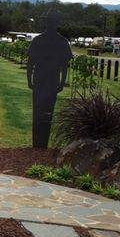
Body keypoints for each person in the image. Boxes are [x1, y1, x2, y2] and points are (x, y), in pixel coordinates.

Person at [27, 8, 73, 148]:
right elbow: (65, 66)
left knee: (39, 112)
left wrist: (30, 80)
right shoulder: (62, 42)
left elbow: (30, 64)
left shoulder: (38, 40)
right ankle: (42, 145)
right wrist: (62, 82)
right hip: (50, 81)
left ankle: (37, 144)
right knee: (47, 113)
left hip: (41, 80)